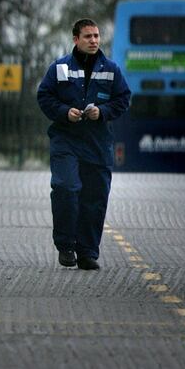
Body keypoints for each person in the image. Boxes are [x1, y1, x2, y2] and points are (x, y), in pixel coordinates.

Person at [37, 18, 131, 270]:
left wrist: (102, 111)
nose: (94, 41)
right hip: (66, 139)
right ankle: (66, 246)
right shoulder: (59, 68)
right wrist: (64, 112)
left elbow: (123, 99)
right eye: (88, 36)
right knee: (66, 187)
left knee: (95, 197)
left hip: (97, 143)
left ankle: (88, 252)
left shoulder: (111, 69)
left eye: (97, 36)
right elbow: (44, 96)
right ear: (76, 40)